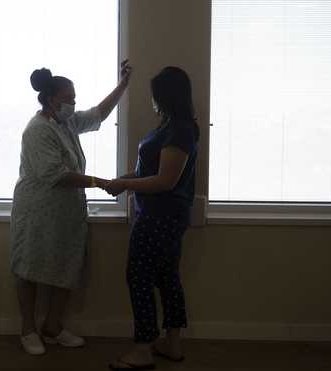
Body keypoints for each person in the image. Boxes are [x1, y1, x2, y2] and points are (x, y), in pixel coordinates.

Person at [10, 61, 132, 355]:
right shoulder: (37, 130)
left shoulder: (65, 123)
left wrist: (123, 86)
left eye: (74, 99)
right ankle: (28, 329)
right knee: (30, 267)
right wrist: (102, 182)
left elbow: (98, 114)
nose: (73, 104)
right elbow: (58, 175)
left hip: (66, 211)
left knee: (66, 265)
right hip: (37, 210)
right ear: (52, 100)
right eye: (69, 99)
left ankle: (53, 326)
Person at [104, 66, 200, 370]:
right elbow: (151, 173)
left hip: (160, 217)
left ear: (167, 96)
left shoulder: (180, 130)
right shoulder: (169, 126)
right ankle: (171, 344)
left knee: (140, 278)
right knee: (166, 277)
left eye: (156, 95)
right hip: (162, 216)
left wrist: (125, 185)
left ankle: (143, 349)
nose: (153, 101)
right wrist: (124, 179)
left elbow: (165, 181)